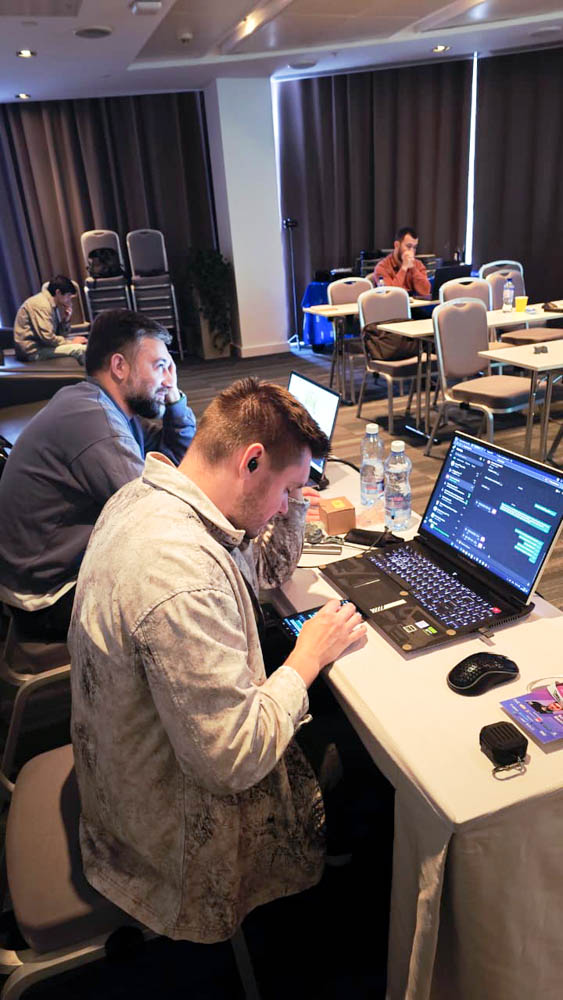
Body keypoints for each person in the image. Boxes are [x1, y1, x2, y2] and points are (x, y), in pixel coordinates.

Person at [69, 378, 368, 944]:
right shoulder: (181, 575)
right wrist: (306, 659)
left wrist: (292, 502)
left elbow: (260, 571)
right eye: (288, 489)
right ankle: (334, 919)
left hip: (127, 770)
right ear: (251, 461)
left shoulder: (148, 498)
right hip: (168, 839)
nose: (287, 504)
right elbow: (232, 760)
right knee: (358, 748)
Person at [0, 309, 196, 640]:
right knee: (186, 586)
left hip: (44, 574)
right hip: (49, 597)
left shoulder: (102, 406)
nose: (168, 379)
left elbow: (174, 462)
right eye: (159, 366)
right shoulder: (97, 422)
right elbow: (158, 515)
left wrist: (174, 400)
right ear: (119, 366)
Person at [13, 275, 88, 363]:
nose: (69, 300)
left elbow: (58, 335)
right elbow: (48, 338)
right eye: (68, 296)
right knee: (81, 349)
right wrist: (71, 342)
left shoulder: (50, 304)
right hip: (33, 351)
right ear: (58, 292)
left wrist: (66, 320)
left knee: (82, 345)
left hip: (43, 346)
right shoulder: (41, 305)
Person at [373, 226, 431, 298]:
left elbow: (426, 291)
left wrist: (413, 268)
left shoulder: (418, 264)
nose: (412, 251)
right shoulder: (382, 267)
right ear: (397, 245)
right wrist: (404, 268)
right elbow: (390, 295)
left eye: (414, 247)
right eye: (408, 246)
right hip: (392, 304)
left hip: (413, 304)